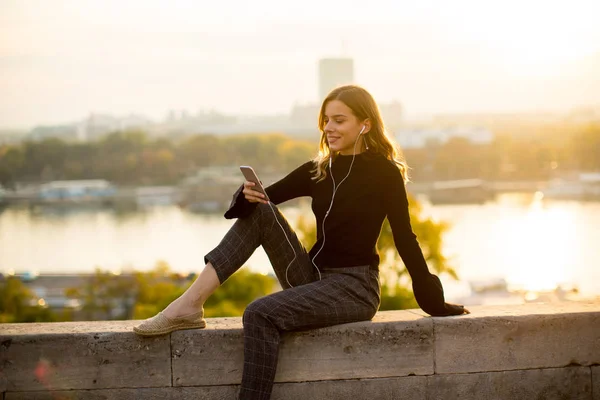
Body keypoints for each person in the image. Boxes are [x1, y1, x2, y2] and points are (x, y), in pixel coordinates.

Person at [133, 85, 469, 399]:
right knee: (263, 209)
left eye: (339, 120)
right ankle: (190, 305)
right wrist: (247, 196)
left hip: (354, 287)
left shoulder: (384, 173)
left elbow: (405, 237)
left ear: (365, 125)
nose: (329, 128)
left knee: (258, 313)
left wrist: (432, 301)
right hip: (311, 276)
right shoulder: (319, 169)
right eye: (326, 120)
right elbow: (263, 201)